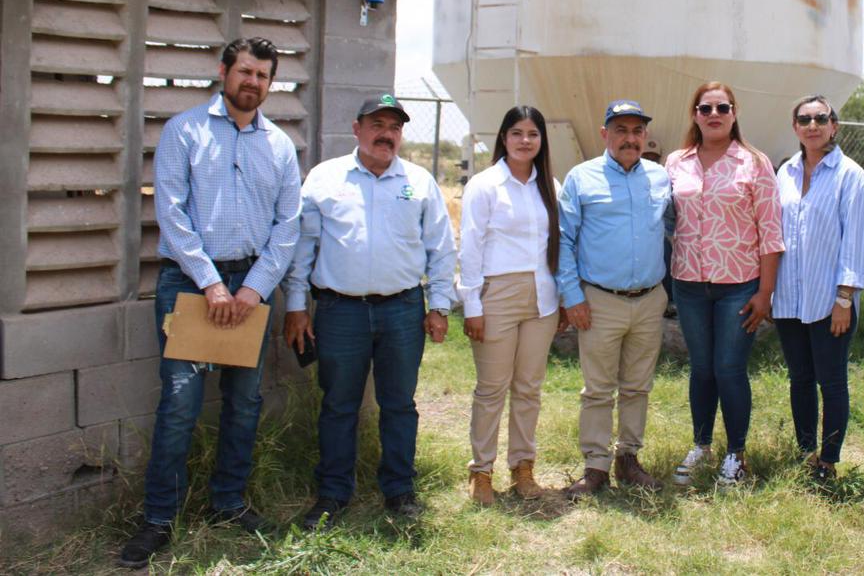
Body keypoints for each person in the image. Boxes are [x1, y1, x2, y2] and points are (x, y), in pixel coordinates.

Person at [119, 38, 301, 569]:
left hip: (250, 286)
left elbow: (287, 228)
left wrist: (252, 289)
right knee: (180, 404)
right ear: (223, 71)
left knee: (245, 402)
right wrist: (211, 284)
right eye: (245, 71)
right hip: (189, 284)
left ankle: (228, 503)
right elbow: (171, 213)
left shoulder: (281, 147)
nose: (253, 82)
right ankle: (158, 519)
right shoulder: (185, 131)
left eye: (264, 76)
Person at [282, 94, 456, 529]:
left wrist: (438, 305)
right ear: (356, 129)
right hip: (341, 313)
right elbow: (303, 249)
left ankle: (400, 490)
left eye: (394, 127)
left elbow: (441, 247)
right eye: (377, 124)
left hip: (402, 311)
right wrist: (297, 305)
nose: (386, 134)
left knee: (399, 404)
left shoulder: (418, 182)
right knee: (339, 404)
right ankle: (333, 493)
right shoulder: (325, 179)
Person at [666, 82, 784, 486]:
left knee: (729, 368)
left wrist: (765, 293)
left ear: (734, 112)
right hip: (689, 283)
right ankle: (701, 446)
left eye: (722, 107)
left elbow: (770, 231)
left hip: (739, 283)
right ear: (694, 114)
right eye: (705, 108)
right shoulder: (676, 163)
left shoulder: (754, 162)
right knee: (701, 369)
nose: (713, 114)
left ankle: (736, 454)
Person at [559, 100, 671, 499]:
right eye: (620, 130)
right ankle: (595, 466)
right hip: (600, 300)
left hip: (649, 299)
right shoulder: (581, 178)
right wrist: (572, 298)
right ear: (604, 134)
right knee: (598, 389)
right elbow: (565, 240)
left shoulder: (660, 178)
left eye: (637, 131)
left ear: (645, 136)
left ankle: (629, 458)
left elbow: (676, 230)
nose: (629, 138)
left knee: (638, 386)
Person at [458, 106, 561, 505]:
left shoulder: (547, 184)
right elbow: (471, 245)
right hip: (496, 293)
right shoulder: (485, 185)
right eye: (516, 133)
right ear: (503, 138)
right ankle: (481, 471)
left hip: (542, 296)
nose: (524, 141)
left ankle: (523, 468)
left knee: (528, 388)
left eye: (532, 134)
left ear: (541, 141)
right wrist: (471, 305)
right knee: (491, 388)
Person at [773, 95, 864, 482]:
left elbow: (855, 242)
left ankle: (828, 461)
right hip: (789, 298)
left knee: (830, 381)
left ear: (834, 125)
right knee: (799, 378)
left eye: (821, 118)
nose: (812, 125)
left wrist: (844, 299)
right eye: (804, 119)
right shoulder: (786, 173)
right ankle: (805, 453)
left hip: (830, 300)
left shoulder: (851, 176)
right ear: (795, 127)